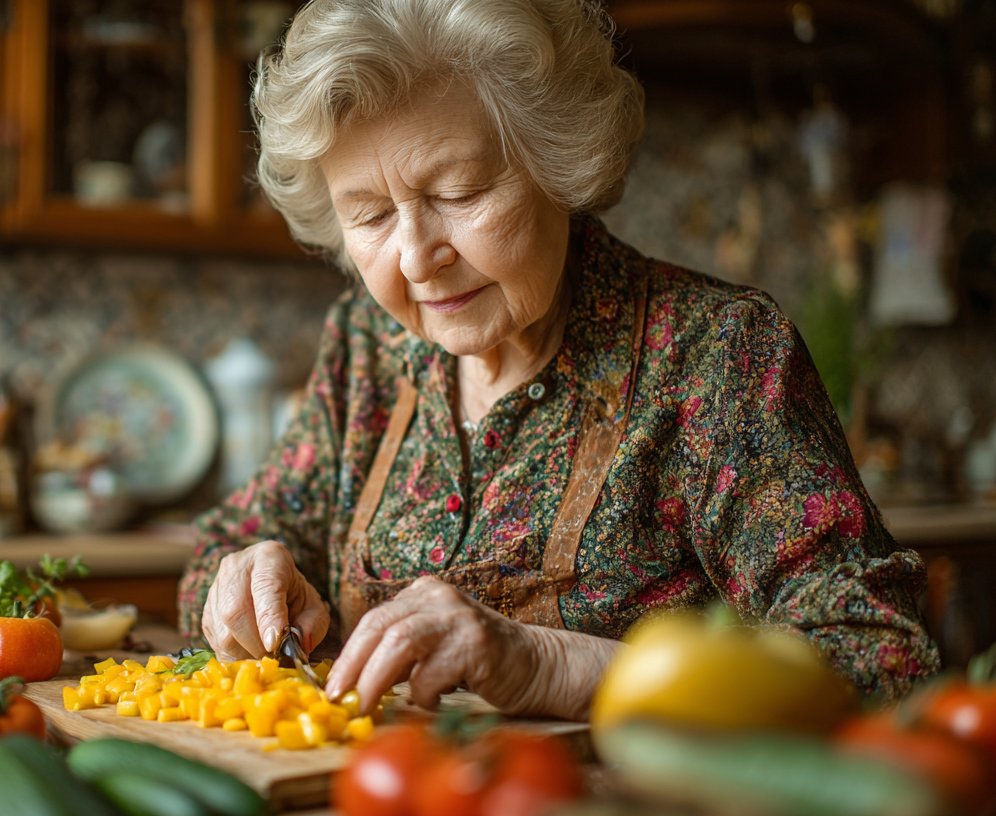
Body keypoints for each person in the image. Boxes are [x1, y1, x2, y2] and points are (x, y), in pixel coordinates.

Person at [178, 0, 938, 721]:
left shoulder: (716, 355)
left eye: (459, 192)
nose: (415, 258)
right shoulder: (367, 348)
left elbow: (881, 660)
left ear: (558, 163)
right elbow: (221, 554)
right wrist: (243, 580)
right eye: (370, 215)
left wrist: (550, 664)